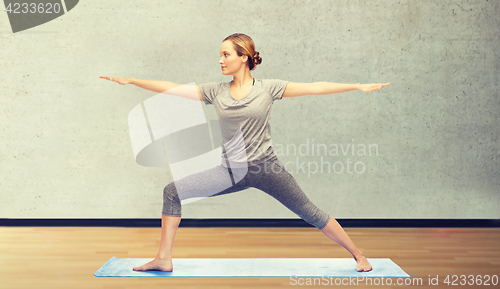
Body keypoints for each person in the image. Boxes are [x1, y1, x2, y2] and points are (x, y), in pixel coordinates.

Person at [100, 33, 389, 273]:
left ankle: (358, 255)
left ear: (245, 57)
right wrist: (133, 80)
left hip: (266, 169)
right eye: (221, 54)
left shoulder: (268, 88)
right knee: (172, 192)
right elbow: (174, 89)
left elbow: (314, 88)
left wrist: (357, 86)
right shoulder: (216, 92)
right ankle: (163, 259)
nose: (220, 60)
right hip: (229, 171)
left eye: (226, 54)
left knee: (310, 213)